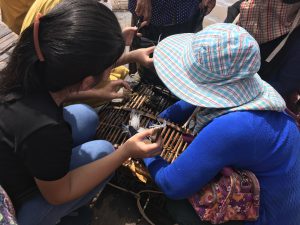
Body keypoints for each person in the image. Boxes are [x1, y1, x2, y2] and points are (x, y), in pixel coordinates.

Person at [0, 1, 161, 225]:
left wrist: (130, 56)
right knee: (104, 151)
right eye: (109, 65)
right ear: (86, 82)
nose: (112, 67)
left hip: (14, 161)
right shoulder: (46, 128)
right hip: (17, 205)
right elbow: (58, 194)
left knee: (85, 116)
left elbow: (65, 87)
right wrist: (124, 152)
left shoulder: (28, 67)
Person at [142, 23, 300, 225]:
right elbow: (194, 101)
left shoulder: (233, 127)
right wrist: (159, 122)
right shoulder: (251, 90)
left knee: (178, 207)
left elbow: (172, 185)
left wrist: (147, 150)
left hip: (267, 217)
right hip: (287, 203)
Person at [225, 0, 300, 115]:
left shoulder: (296, 39)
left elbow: (283, 86)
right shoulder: (242, 10)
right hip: (224, 88)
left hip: (257, 107)